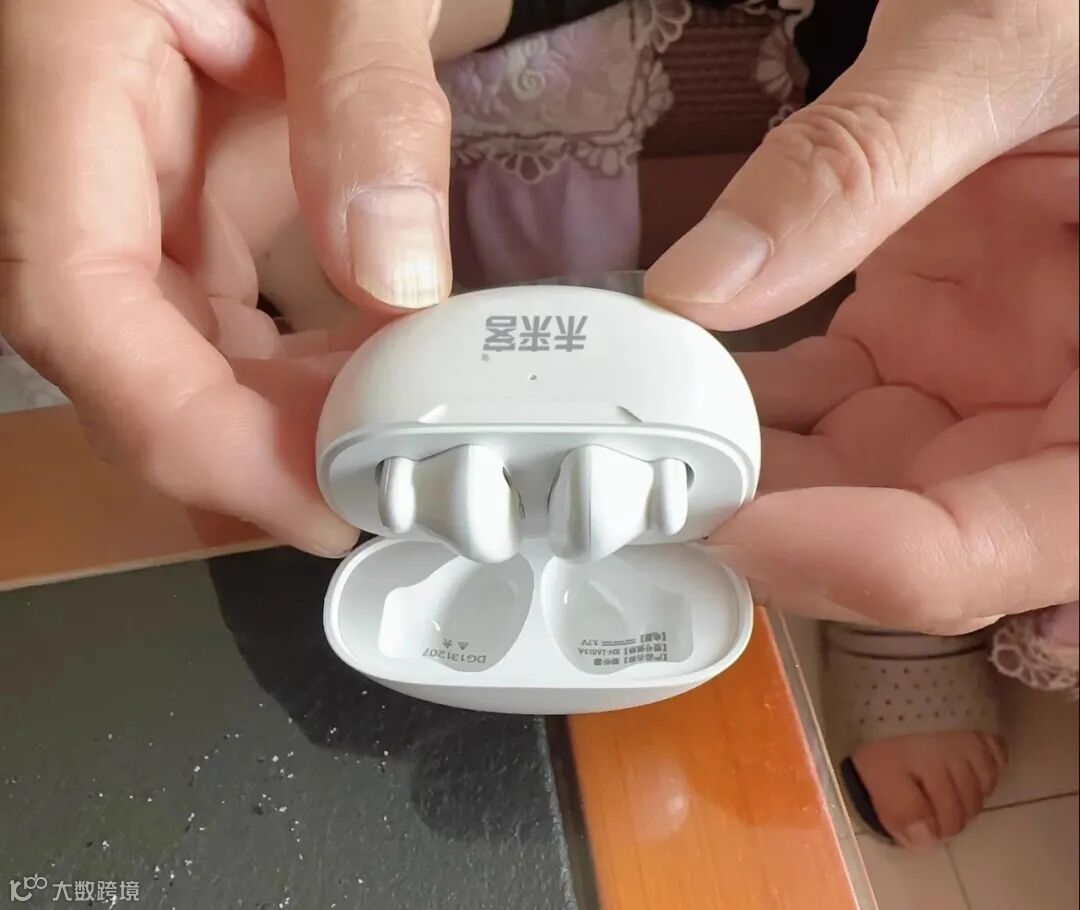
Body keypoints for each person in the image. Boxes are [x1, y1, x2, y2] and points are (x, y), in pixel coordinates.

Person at [1, 0, 1076, 847]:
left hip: (878, 245)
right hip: (382, 294)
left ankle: (880, 627)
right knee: (308, 635)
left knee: (870, 491)